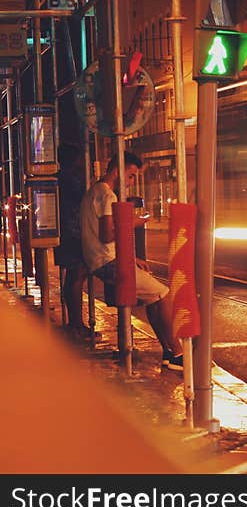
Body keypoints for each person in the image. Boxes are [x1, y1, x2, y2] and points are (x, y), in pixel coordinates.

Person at [80, 151, 182, 371]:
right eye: (131, 175)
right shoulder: (108, 196)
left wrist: (132, 258)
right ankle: (177, 353)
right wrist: (135, 221)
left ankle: (168, 351)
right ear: (117, 171)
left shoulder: (93, 192)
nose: (132, 181)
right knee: (163, 294)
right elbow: (107, 235)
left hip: (101, 260)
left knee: (152, 296)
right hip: (107, 263)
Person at [54, 143, 96, 340]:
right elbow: (87, 198)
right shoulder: (71, 180)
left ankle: (74, 322)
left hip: (65, 233)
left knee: (72, 276)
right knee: (77, 275)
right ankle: (77, 323)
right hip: (73, 234)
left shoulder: (60, 179)